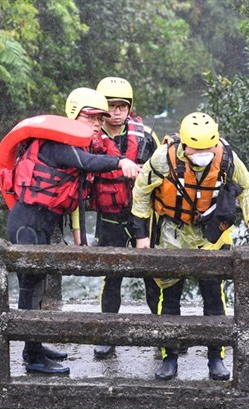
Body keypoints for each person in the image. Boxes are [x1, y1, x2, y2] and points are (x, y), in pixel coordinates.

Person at [5, 87, 140, 375]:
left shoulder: (72, 145)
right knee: (29, 291)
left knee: (38, 290)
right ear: (74, 114)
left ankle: (36, 347)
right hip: (27, 223)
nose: (96, 123)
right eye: (90, 117)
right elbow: (86, 163)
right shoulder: (57, 144)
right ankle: (33, 358)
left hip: (41, 223)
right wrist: (120, 161)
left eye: (99, 118)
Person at [130, 111, 249, 381]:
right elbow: (141, 191)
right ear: (184, 144)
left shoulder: (226, 157)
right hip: (172, 233)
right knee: (169, 297)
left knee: (213, 296)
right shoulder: (163, 157)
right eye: (196, 150)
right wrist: (141, 235)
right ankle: (169, 357)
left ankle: (215, 358)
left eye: (208, 148)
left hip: (210, 236)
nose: (203, 154)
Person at [90, 77, 161, 359]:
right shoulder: (90, 138)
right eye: (111, 106)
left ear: (129, 108)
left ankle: (161, 334)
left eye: (122, 106)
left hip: (143, 215)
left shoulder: (145, 136)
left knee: (153, 276)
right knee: (112, 277)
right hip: (109, 215)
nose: (117, 112)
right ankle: (108, 335)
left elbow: (163, 170)